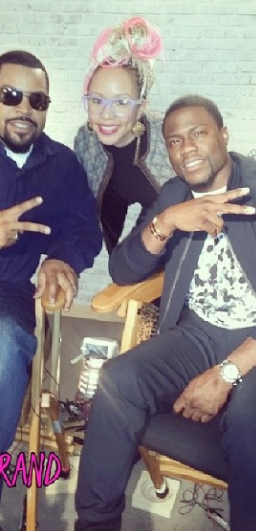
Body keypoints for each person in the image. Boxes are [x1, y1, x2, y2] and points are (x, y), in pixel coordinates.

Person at [75, 95, 256, 531]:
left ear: (224, 135)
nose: (186, 148)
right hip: (197, 336)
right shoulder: (175, 194)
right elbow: (122, 269)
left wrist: (228, 373)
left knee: (246, 420)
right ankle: (95, 523)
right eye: (175, 141)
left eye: (199, 133)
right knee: (117, 380)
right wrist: (168, 221)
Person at [0, 50, 102, 530]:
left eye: (37, 100)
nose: (24, 108)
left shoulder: (62, 165)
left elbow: (83, 229)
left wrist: (61, 258)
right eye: (11, 95)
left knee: (2, 341)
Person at [74, 17, 175, 252]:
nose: (106, 114)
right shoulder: (86, 143)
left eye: (121, 102)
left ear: (141, 108)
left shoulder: (168, 137)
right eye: (97, 100)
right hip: (131, 255)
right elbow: (81, 210)